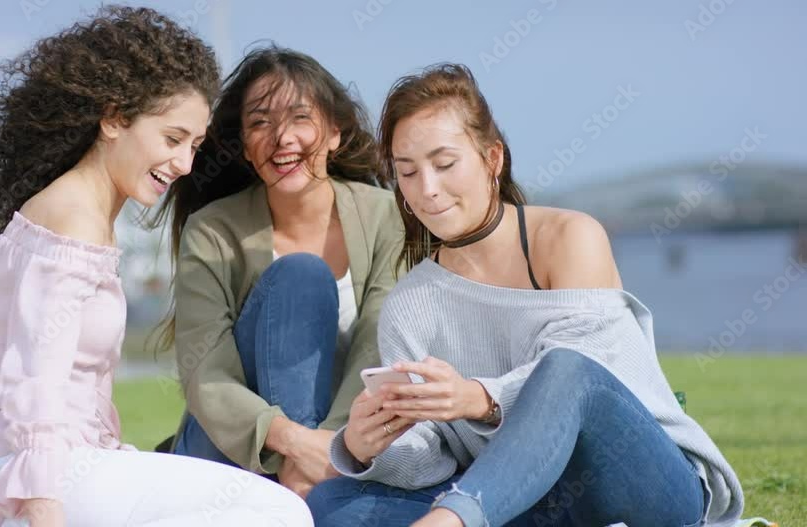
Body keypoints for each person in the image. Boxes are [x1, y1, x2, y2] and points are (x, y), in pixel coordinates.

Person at [308, 64, 744, 526]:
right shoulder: (410, 305)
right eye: (408, 172)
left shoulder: (568, 237)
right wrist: (367, 445)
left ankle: (454, 521)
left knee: (567, 369)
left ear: (492, 158)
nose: (427, 190)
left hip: (643, 485)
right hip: (530, 502)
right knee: (331, 503)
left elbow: (585, 380)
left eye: (445, 164)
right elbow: (428, 461)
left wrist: (479, 399)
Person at [0, 8, 311, 527]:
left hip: (48, 461)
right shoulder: (72, 220)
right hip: (16, 472)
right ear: (113, 118)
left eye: (194, 146)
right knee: (279, 513)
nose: (185, 165)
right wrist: (43, 510)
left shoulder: (79, 215)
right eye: (172, 139)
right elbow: (35, 378)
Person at [159, 45, 402, 499]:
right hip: (226, 452)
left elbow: (380, 342)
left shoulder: (386, 217)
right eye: (260, 123)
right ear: (246, 149)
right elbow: (203, 371)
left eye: (300, 118)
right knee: (301, 278)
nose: (281, 137)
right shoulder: (212, 230)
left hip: (341, 447)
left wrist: (332, 448)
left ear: (335, 133)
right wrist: (297, 444)